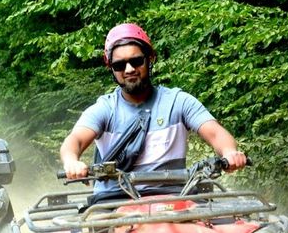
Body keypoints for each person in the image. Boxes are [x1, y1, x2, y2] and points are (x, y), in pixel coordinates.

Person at [60, 23, 247, 200]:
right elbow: (74, 140)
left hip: (176, 198)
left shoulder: (178, 101)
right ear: (111, 68)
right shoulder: (104, 109)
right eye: (119, 65)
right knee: (94, 232)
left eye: (136, 61)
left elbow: (216, 133)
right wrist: (71, 162)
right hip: (112, 202)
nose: (129, 69)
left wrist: (230, 152)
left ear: (150, 59)